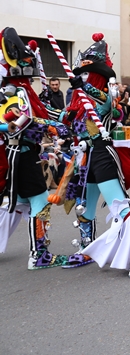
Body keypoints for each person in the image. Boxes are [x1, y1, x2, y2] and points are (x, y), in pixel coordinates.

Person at [61, 33, 130, 277]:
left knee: (118, 204)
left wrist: (86, 86)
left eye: (86, 74)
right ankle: (86, 247)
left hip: (103, 152)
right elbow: (65, 120)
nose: (81, 78)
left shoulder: (104, 96)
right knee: (86, 206)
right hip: (87, 156)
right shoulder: (79, 102)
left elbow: (109, 102)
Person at [0, 28, 71, 269]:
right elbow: (22, 122)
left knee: (18, 203)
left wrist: (64, 116)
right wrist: (53, 126)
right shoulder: (14, 91)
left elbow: (38, 113)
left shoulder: (22, 90)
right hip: (22, 153)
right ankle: (38, 255)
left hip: (21, 153)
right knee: (40, 203)